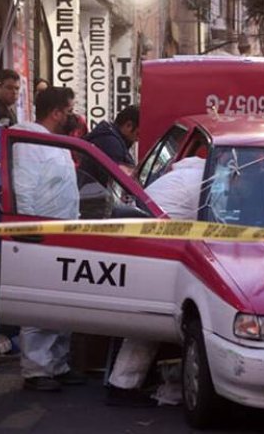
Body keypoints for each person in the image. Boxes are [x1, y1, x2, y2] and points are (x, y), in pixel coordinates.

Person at [107, 156, 206, 407]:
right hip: (152, 249)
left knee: (145, 321)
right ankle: (122, 386)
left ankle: (123, 383)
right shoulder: (201, 182)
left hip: (139, 244)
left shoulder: (178, 176)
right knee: (149, 322)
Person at [13, 86, 86, 391]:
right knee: (39, 306)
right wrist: (27, 227)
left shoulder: (54, 143)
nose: (73, 116)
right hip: (40, 234)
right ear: (56, 113)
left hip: (62, 233)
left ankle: (57, 364)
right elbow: (23, 187)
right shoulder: (30, 142)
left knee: (60, 304)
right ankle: (36, 370)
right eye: (69, 111)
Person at [82, 105, 139, 181]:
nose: (137, 139)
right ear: (128, 125)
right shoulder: (112, 145)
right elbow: (115, 181)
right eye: (138, 133)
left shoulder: (108, 136)